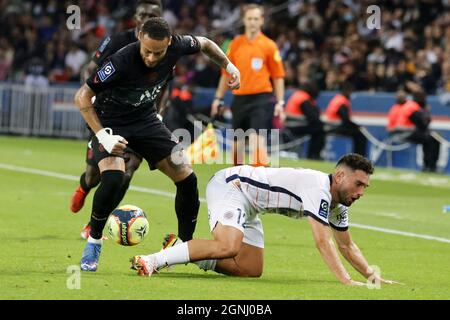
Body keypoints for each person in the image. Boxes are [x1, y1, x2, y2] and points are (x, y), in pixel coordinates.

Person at [74, 17, 241, 271]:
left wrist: (229, 66)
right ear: (140, 38)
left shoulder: (178, 45)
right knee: (114, 176)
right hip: (110, 122)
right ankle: (94, 241)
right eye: (148, 51)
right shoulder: (120, 61)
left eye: (158, 53)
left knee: (187, 176)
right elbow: (83, 96)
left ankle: (184, 247)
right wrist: (103, 135)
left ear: (170, 44)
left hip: (145, 120)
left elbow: (206, 44)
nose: (152, 58)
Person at [131, 154, 400, 286]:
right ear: (340, 177)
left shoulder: (338, 205)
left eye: (365, 187)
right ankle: (152, 260)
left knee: (250, 268)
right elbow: (323, 241)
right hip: (232, 186)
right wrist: (345, 280)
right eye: (359, 184)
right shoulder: (318, 187)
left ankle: (180, 249)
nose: (361, 192)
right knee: (229, 246)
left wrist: (372, 277)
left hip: (252, 204)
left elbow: (347, 246)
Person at [70, 0, 163, 240]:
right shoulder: (115, 42)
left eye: (152, 14)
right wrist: (92, 98)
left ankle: (95, 223)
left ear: (159, 17)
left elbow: (163, 85)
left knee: (126, 172)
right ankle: (84, 186)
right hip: (109, 116)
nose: (146, 18)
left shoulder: (163, 47)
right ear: (135, 16)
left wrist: (158, 111)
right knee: (95, 174)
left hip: (142, 119)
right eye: (142, 13)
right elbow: (89, 70)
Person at [210, 3, 285, 167]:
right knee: (237, 146)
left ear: (262, 21)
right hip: (239, 99)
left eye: (256, 18)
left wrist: (280, 102)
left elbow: (278, 76)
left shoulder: (269, 45)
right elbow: (225, 74)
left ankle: (262, 180)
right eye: (249, 18)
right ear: (244, 20)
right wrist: (218, 98)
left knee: (256, 140)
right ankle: (237, 179)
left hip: (262, 99)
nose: (252, 22)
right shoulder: (235, 44)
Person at [388, 90, 440, 172]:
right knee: (431, 139)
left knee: (428, 138)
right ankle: (430, 166)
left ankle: (428, 166)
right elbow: (423, 124)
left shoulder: (397, 107)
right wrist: (426, 111)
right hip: (405, 133)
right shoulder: (411, 106)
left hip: (402, 132)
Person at [284, 82, 325, 160]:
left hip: (290, 126)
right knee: (319, 129)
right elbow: (313, 117)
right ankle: (313, 156)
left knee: (317, 127)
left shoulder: (297, 95)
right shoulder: (303, 98)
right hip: (295, 126)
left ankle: (312, 155)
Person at [324, 82, 368, 156]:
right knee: (360, 136)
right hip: (335, 126)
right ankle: (358, 158)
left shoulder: (337, 99)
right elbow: (345, 119)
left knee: (356, 133)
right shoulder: (342, 101)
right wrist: (357, 126)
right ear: (348, 91)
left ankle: (356, 157)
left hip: (332, 125)